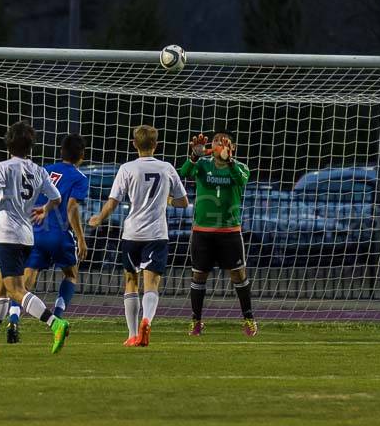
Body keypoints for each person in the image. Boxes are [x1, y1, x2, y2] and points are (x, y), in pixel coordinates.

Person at [0, 121, 71, 355]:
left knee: (15, 291)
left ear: (8, 143)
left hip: (9, 235)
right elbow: (58, 198)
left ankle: (55, 323)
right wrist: (44, 209)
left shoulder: (4, 167)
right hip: (26, 236)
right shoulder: (39, 170)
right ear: (30, 146)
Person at [88, 125, 189, 347]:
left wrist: (99, 218)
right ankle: (147, 320)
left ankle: (133, 334)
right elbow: (184, 202)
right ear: (156, 144)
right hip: (156, 234)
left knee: (130, 281)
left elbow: (113, 201)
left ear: (134, 144)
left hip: (132, 233)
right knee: (152, 283)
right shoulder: (166, 168)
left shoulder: (127, 168)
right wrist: (168, 199)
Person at [5, 134, 90, 343]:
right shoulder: (80, 178)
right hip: (59, 235)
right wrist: (81, 237)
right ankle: (58, 318)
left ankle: (13, 319)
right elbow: (71, 206)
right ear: (82, 155)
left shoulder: (43, 170)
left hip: (35, 231)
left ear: (61, 152)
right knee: (71, 274)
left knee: (24, 282)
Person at [178, 131, 257, 337]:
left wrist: (229, 161)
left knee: (238, 274)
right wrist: (193, 156)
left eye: (225, 143)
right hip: (203, 231)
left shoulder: (240, 167)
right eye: (216, 142)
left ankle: (249, 319)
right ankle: (196, 321)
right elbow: (184, 172)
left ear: (233, 148)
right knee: (199, 275)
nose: (220, 145)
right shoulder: (203, 165)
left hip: (229, 231)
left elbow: (241, 181)